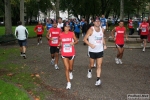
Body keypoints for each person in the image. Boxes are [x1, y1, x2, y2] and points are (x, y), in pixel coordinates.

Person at [83, 18, 107, 86]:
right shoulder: (91, 30)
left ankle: (98, 79)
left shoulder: (102, 30)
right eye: (96, 21)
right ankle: (89, 70)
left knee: (99, 65)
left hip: (100, 50)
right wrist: (90, 45)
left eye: (99, 21)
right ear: (93, 22)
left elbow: (102, 38)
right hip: (92, 50)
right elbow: (84, 39)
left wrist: (104, 45)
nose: (97, 22)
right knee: (92, 65)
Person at [59, 21, 78, 89]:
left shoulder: (72, 33)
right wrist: (59, 45)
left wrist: (73, 43)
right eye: (65, 26)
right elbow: (60, 42)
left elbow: (76, 41)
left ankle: (71, 72)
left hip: (71, 53)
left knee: (70, 68)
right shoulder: (61, 34)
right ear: (63, 27)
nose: (67, 28)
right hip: (64, 53)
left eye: (68, 27)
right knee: (66, 68)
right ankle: (68, 83)